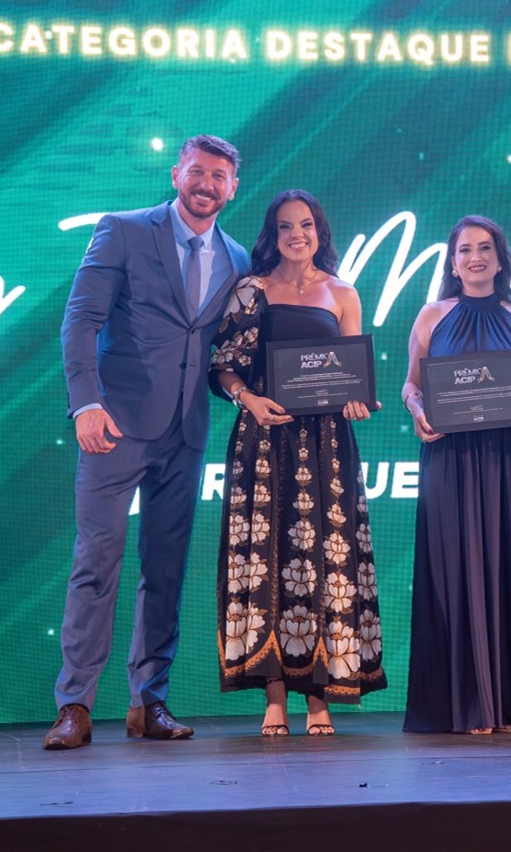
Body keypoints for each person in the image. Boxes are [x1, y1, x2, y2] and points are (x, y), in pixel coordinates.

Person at [47, 134, 249, 749]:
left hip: (185, 435)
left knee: (166, 571)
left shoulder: (238, 258)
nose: (206, 184)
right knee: (96, 564)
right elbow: (81, 319)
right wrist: (86, 402)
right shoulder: (124, 230)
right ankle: (75, 705)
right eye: (197, 172)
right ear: (176, 173)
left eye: (219, 176)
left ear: (232, 187)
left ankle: (149, 702)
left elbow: (230, 349)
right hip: (114, 427)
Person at [210, 189, 385, 736]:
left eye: (305, 224)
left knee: (325, 564)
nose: (296, 235)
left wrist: (359, 401)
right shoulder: (251, 289)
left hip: (329, 444)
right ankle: (275, 699)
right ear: (273, 234)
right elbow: (224, 365)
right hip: (264, 439)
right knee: (266, 563)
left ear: (319, 231)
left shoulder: (343, 293)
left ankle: (319, 699)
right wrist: (248, 398)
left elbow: (354, 375)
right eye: (285, 226)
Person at [401, 215, 511, 734]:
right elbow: (411, 385)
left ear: (500, 258)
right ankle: (469, 703)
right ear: (453, 263)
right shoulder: (432, 314)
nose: (475, 257)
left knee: (509, 568)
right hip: (449, 458)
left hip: (509, 458)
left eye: (485, 248)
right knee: (456, 571)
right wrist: (417, 411)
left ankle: (510, 704)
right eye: (465, 250)